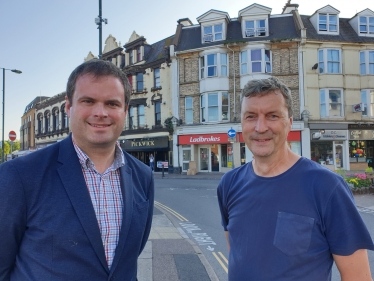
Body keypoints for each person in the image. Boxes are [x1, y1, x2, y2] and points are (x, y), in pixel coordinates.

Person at [0, 59, 154, 281]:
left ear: (125, 110)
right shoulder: (18, 176)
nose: (101, 112)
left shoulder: (143, 176)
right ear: (69, 107)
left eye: (112, 103)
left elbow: (129, 257)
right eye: (88, 101)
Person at [217, 77, 374, 281]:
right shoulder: (229, 184)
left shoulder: (326, 186)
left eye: (272, 116)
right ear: (242, 123)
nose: (260, 127)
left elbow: (358, 277)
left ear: (289, 122)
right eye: (251, 116)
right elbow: (237, 253)